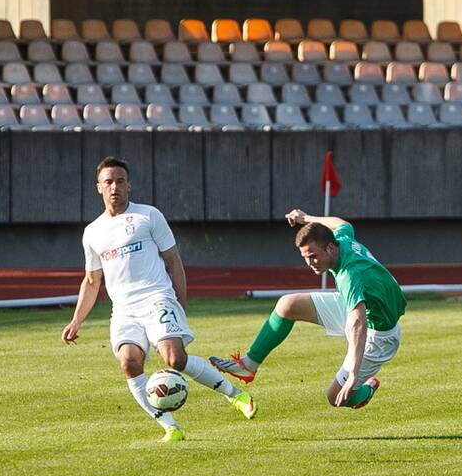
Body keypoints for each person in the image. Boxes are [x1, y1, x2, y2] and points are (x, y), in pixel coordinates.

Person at [61, 157, 255, 443]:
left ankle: (236, 395)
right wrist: (76, 320)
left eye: (120, 181)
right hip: (124, 311)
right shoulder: (92, 232)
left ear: (129, 185)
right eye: (108, 182)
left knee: (174, 358)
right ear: (98, 188)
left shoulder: (148, 216)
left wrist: (180, 303)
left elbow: (173, 261)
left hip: (157, 298)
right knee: (129, 362)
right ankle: (170, 427)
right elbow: (92, 280)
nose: (115, 187)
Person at [210, 210, 405, 409]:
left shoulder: (349, 275)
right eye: (305, 257)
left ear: (330, 248)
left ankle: (367, 388)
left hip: (378, 334)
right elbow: (340, 223)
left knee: (336, 396)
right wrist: (306, 219)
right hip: (360, 306)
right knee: (288, 305)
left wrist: (354, 374)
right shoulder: (341, 240)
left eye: (313, 256)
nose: (309, 263)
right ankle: (249, 365)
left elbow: (358, 322)